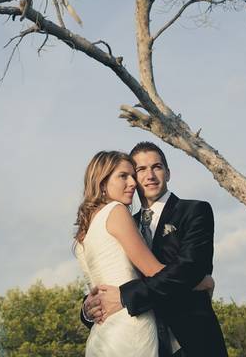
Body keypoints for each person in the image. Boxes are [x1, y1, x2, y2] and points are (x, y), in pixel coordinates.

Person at [82, 142, 227, 357]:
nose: (149, 175)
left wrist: (124, 296)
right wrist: (88, 310)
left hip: (190, 340)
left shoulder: (195, 210)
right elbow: (112, 278)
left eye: (156, 167)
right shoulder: (122, 221)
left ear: (168, 173)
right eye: (140, 170)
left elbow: (188, 269)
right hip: (140, 338)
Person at [74, 151, 160, 356]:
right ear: (102, 182)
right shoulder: (116, 211)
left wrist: (87, 310)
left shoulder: (83, 231)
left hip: (102, 332)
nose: (133, 183)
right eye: (123, 176)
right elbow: (154, 271)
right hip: (132, 323)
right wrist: (200, 281)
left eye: (132, 176)